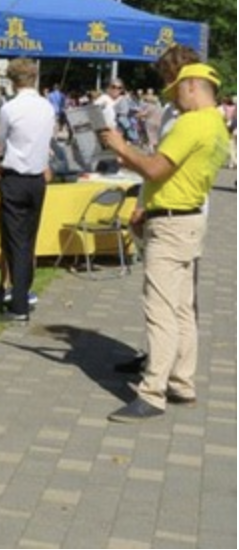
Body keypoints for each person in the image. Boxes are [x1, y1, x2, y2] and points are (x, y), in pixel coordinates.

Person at [102, 64, 228, 422]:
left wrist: (121, 146)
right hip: (190, 219)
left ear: (192, 86)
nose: (173, 98)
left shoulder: (191, 123)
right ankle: (182, 383)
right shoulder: (217, 124)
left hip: (171, 225)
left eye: (176, 91)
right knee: (184, 308)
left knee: (160, 309)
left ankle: (152, 392)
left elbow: (155, 168)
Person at [0, 58, 54, 323]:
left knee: (15, 241)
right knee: (29, 238)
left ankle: (18, 304)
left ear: (12, 80)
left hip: (15, 177)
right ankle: (24, 291)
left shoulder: (10, 108)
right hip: (37, 179)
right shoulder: (47, 107)